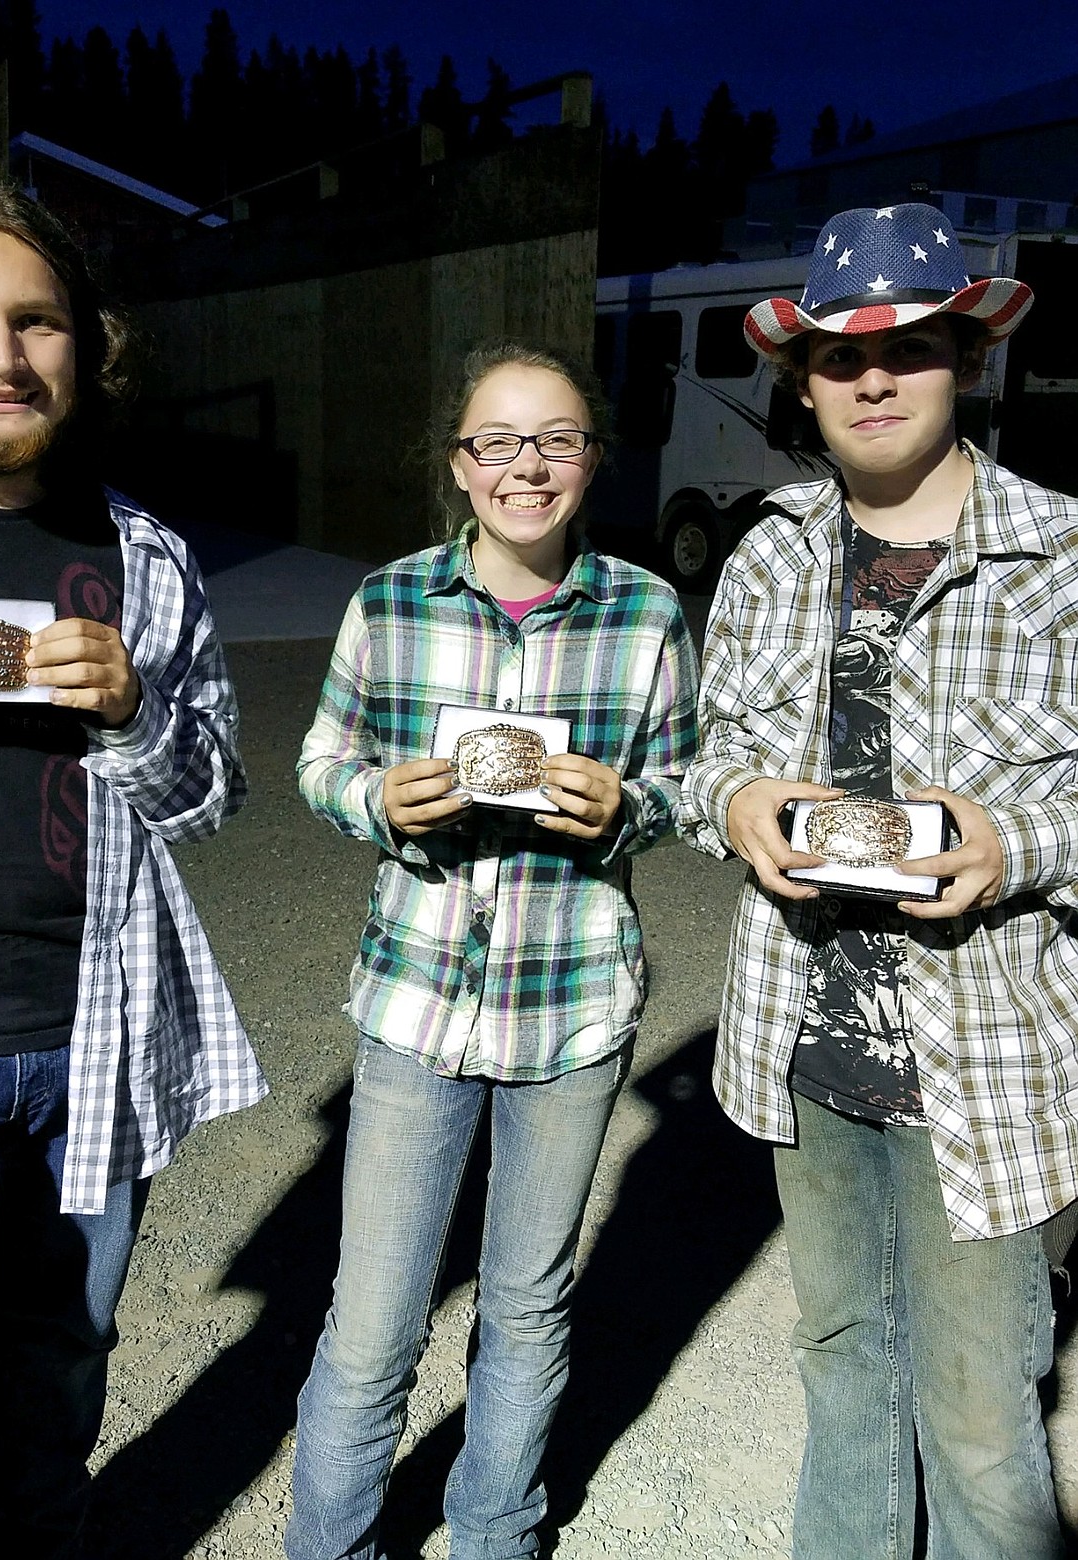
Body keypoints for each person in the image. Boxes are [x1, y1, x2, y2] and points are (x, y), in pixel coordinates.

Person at [680, 200, 1075, 1559]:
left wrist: (1012, 845)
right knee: (843, 1369)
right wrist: (732, 800)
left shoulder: (1062, 558)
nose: (872, 378)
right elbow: (705, 753)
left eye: (908, 345)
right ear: (799, 380)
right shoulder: (769, 554)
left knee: (976, 1420)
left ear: (966, 354)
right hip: (808, 1059)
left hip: (990, 1064)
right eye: (840, 356)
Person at [287, 341, 697, 1560]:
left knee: (527, 1306)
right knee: (372, 1322)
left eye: (559, 439)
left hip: (568, 1010)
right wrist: (378, 803)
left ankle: (496, 1536)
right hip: (417, 1006)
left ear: (590, 460)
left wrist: (631, 807)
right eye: (500, 443)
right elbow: (321, 759)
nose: (530, 466)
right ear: (460, 467)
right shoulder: (391, 602)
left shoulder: (646, 610)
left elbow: (686, 775)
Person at [0, 176, 266, 1557]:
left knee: (57, 1398)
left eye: (36, 320)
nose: (1, 355)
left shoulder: (145, 556)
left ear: (81, 343)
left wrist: (131, 713)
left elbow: (211, 796)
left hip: (94, 1045)